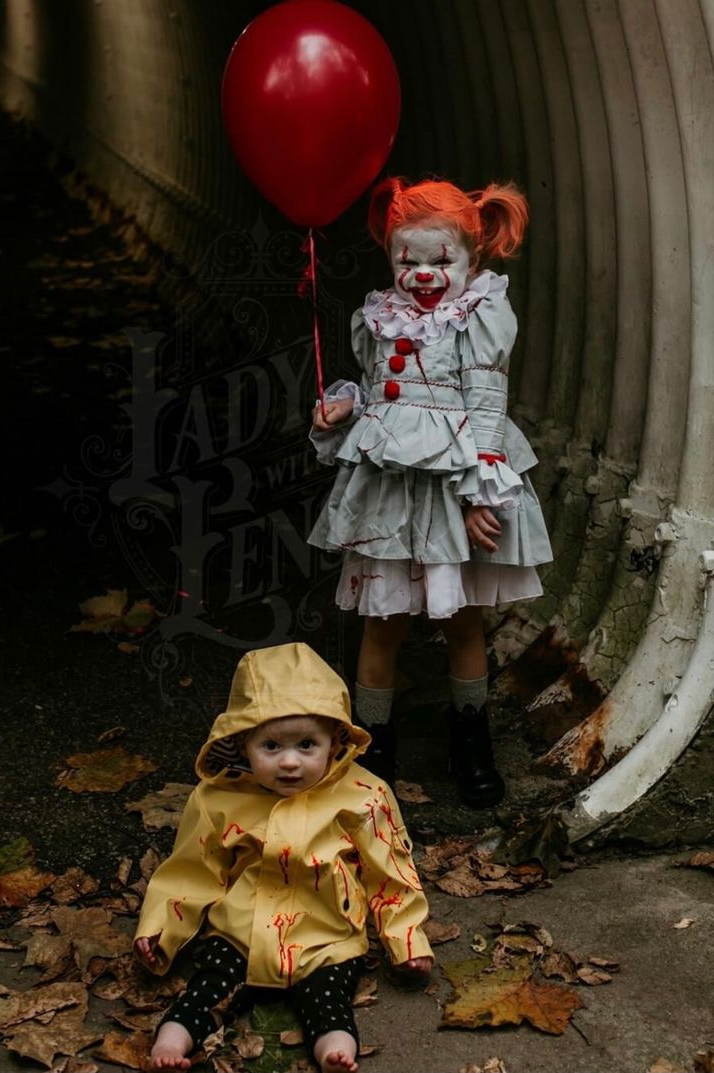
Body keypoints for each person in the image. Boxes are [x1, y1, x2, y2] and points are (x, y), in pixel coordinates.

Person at [308, 176, 553, 804]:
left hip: (453, 483)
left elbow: (486, 405)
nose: (422, 274)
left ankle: (471, 743)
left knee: (464, 621)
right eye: (406, 260)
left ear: (473, 258)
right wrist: (345, 410)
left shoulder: (479, 317)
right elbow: (381, 394)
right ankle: (373, 755)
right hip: (391, 486)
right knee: (382, 619)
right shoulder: (379, 317)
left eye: (441, 260)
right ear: (390, 257)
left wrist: (479, 496)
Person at [133, 642, 433, 1073]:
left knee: (329, 999)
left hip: (326, 936)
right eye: (271, 746)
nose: (290, 762)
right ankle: (173, 1038)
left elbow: (390, 872)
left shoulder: (363, 795)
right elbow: (192, 870)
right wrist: (161, 930)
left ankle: (334, 1048)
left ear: (335, 741)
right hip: (240, 932)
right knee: (208, 988)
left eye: (307, 745)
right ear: (241, 745)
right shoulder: (220, 798)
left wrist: (406, 941)